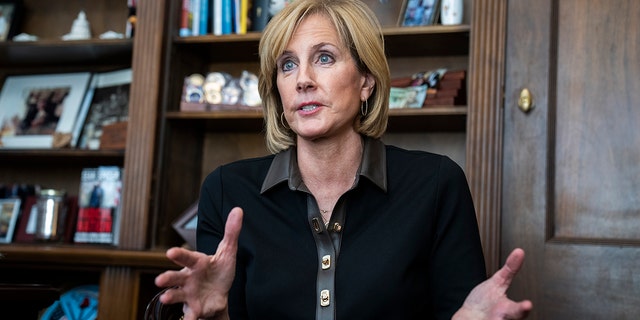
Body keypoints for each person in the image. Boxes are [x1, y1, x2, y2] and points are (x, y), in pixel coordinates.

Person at [155, 0, 533, 319]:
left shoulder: (436, 184)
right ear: (278, 90)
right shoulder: (227, 190)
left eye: (324, 58)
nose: (302, 79)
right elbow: (209, 304)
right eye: (287, 65)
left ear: (366, 80)